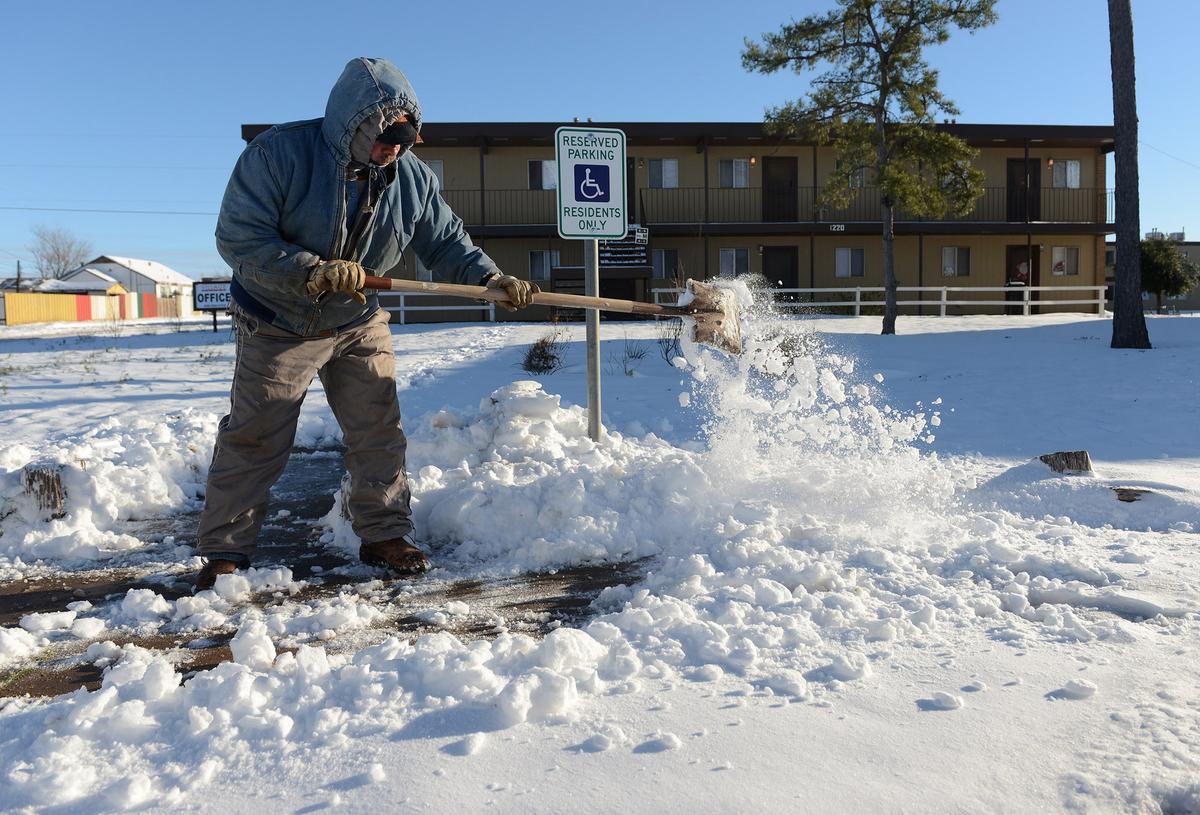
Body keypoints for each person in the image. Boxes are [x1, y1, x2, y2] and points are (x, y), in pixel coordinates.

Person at [194, 57, 539, 591]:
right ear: (352, 126)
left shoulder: (412, 179)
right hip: (279, 316)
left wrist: (491, 278)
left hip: (356, 318)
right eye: (384, 140)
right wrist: (310, 271)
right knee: (257, 435)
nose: (392, 151)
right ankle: (225, 551)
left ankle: (384, 534)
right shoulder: (279, 155)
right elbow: (239, 237)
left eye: (404, 142)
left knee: (378, 431)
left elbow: (445, 242)